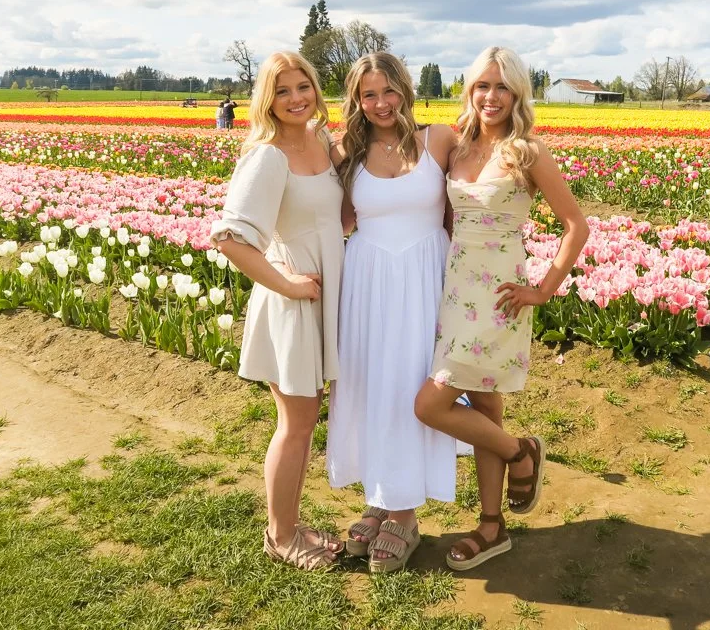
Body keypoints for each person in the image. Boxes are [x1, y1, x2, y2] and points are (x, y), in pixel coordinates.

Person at [414, 46, 589, 571]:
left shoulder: (528, 153)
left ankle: (520, 453)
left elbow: (576, 225)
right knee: (486, 409)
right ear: (469, 90)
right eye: (482, 86)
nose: (491, 97)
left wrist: (544, 289)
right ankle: (493, 526)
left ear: (517, 94)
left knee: (431, 405)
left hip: (499, 298)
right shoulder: (456, 147)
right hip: (455, 291)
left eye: (502, 87)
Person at [210, 51, 346, 571]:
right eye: (283, 90)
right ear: (267, 100)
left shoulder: (319, 142)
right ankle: (281, 536)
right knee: (296, 423)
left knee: (305, 421)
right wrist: (287, 284)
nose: (296, 98)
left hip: (318, 292)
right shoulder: (268, 155)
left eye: (303, 86)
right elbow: (229, 239)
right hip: (293, 298)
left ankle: (289, 523)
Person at [327, 52, 458, 574]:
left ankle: (404, 512)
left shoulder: (440, 140)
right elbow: (338, 221)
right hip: (369, 279)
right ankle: (380, 498)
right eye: (368, 95)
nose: (380, 104)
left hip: (425, 276)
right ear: (356, 101)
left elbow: (457, 211)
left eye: (388, 91)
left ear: (405, 88)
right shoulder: (348, 152)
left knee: (410, 384)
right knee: (372, 385)